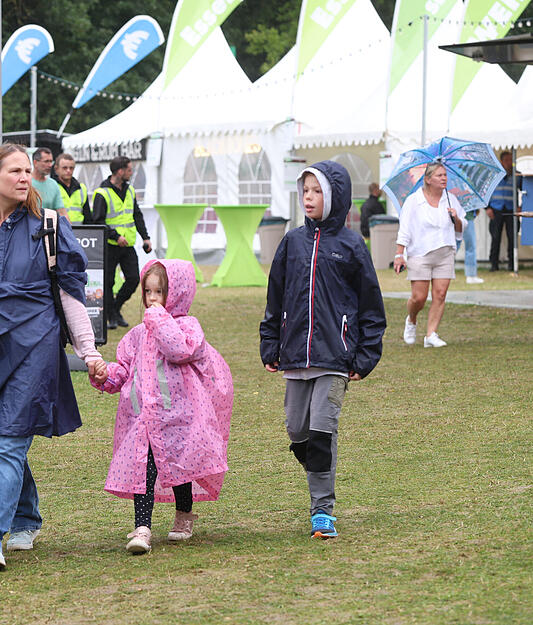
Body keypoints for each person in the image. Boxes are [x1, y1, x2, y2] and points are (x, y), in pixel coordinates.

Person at [0, 143, 105, 572]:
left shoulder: (49, 226)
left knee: (10, 438)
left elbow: (70, 294)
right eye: (15, 170)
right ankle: (26, 515)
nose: (25, 177)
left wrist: (89, 352)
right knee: (2, 436)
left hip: (36, 345)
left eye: (28, 170)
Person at [260, 161, 386, 540]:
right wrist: (270, 342)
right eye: (305, 191)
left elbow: (371, 306)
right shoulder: (292, 242)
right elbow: (275, 297)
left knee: (321, 431)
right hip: (295, 356)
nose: (309, 198)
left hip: (335, 358)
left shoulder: (351, 246)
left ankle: (322, 512)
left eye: (316, 191)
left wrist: (365, 356)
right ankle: (317, 464)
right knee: (297, 430)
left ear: (334, 197)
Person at [90, 259, 233, 554]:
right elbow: (126, 370)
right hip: (143, 417)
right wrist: (107, 374)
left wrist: (160, 321)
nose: (153, 299)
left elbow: (179, 349)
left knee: (179, 468)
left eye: (160, 292)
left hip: (179, 416)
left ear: (177, 294)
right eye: (148, 292)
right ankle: (142, 528)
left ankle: (184, 514)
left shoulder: (187, 327)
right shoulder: (137, 335)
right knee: (147, 469)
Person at [393, 162, 466, 348]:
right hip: (420, 253)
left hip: (445, 252)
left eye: (445, 175)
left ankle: (431, 334)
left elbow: (461, 228)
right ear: (427, 179)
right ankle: (411, 319)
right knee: (419, 298)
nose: (444, 178)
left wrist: (456, 218)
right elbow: (405, 229)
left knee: (440, 294)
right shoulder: (414, 200)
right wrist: (399, 254)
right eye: (439, 175)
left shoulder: (450, 199)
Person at [88, 156, 152, 330]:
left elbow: (136, 215)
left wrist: (145, 237)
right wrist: (115, 236)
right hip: (109, 245)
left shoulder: (130, 190)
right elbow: (98, 221)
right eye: (129, 170)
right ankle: (111, 316)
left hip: (128, 244)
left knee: (133, 279)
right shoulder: (102, 193)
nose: (131, 173)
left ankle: (115, 308)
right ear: (120, 171)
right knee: (108, 282)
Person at [486, 151, 517, 273]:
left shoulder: (517, 176)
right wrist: (487, 208)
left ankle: (512, 264)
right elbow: (486, 192)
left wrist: (520, 206)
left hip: (511, 210)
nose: (510, 163)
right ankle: (494, 264)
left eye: (511, 160)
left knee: (512, 237)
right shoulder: (493, 175)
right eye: (507, 160)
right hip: (496, 209)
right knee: (495, 237)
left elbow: (525, 193)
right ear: (502, 162)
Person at [52, 152, 89, 224]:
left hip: (79, 232)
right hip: (59, 232)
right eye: (65, 168)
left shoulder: (81, 188)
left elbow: (87, 217)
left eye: (71, 168)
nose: (68, 171)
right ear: (56, 169)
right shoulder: (52, 187)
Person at [29, 147, 65, 213]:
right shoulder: (26, 182)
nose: (50, 165)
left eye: (51, 161)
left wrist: (67, 223)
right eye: (46, 161)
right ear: (35, 163)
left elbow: (61, 212)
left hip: (47, 222)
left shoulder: (53, 184)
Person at [458, 208, 484, 284]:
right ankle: (471, 275)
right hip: (467, 218)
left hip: (458, 218)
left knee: (454, 247)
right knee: (470, 247)